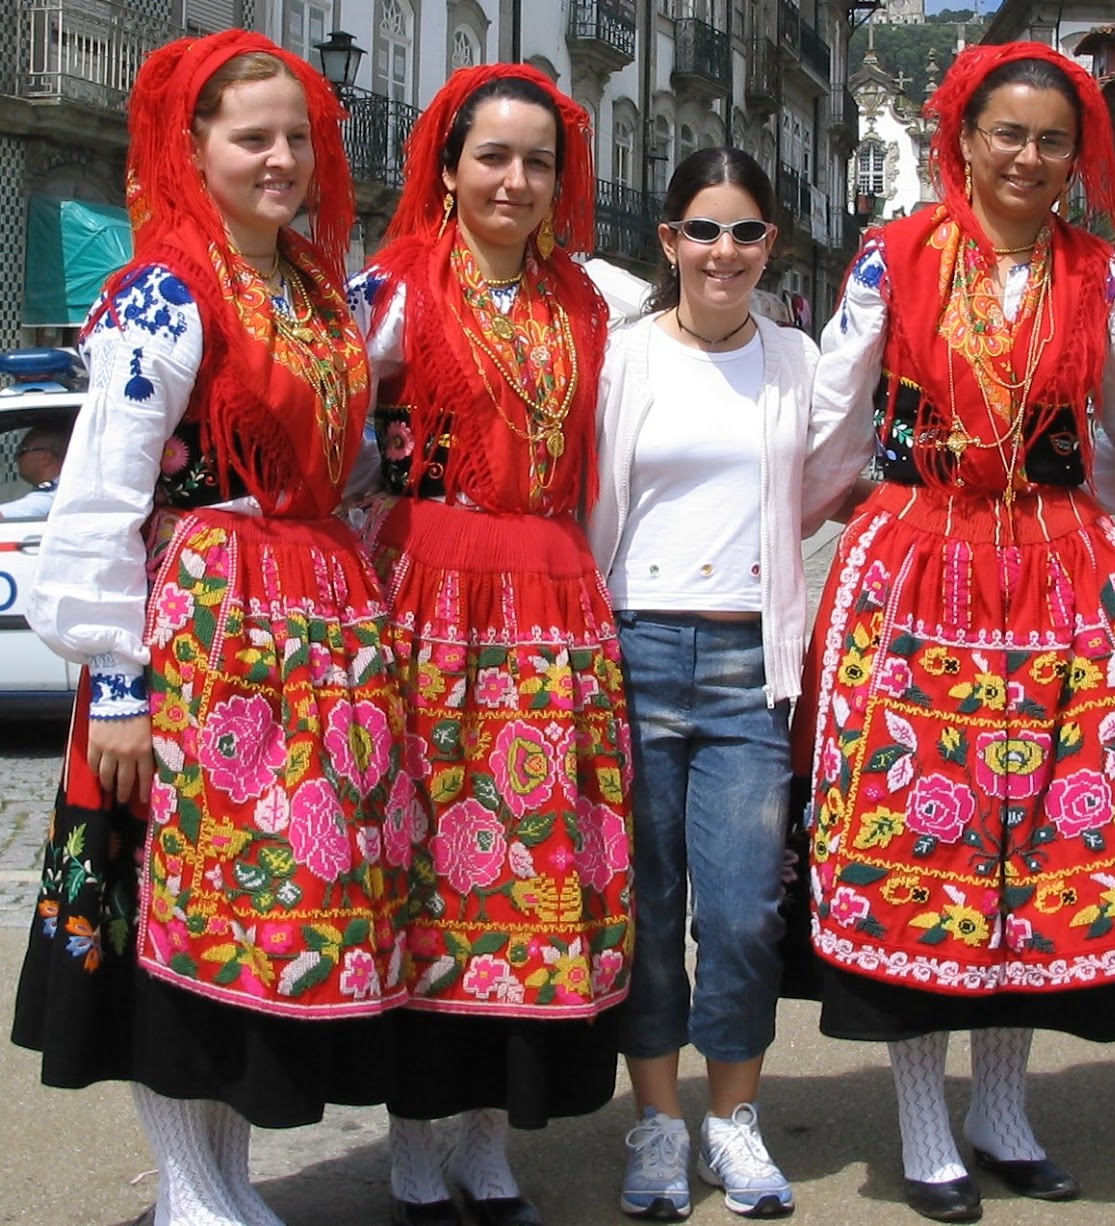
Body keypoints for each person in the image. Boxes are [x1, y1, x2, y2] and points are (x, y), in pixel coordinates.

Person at [10, 29, 407, 1226]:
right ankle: (192, 1192)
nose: (282, 157)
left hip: (313, 638)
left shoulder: (313, 289)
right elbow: (101, 494)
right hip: (202, 639)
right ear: (194, 146)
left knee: (265, 911)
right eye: (253, 137)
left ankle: (223, 1182)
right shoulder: (162, 293)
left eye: (298, 135)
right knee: (179, 907)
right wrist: (119, 686)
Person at [798, 43, 1115, 1224]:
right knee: (926, 838)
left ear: (1076, 154)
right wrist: (810, 531)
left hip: (1056, 581)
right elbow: (830, 410)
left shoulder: (1098, 279)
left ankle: (1003, 1111)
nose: (1025, 157)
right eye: (1004, 133)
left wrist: (1085, 502)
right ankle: (923, 1122)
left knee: (1033, 847)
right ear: (958, 137)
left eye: (1051, 139)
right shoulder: (893, 256)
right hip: (917, 568)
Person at [348, 64, 630, 1226]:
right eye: (492, 159)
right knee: (424, 859)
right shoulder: (392, 289)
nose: (515, 182)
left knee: (524, 868)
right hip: (428, 599)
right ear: (449, 169)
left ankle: (484, 1136)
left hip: (553, 602)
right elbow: (336, 431)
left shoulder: (592, 300)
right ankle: (416, 1139)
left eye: (537, 164)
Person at [586, 147, 870, 1221]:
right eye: (702, 230)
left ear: (770, 245)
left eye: (745, 232)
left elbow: (826, 477)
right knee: (648, 908)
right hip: (633, 646)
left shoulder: (795, 359)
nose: (723, 251)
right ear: (668, 241)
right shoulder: (620, 358)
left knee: (747, 907)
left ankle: (732, 1120)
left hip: (752, 663)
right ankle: (657, 1122)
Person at [0, 425, 67, 517]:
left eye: (21, 450)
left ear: (45, 458)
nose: (16, 458)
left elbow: (38, 505)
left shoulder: (58, 493)